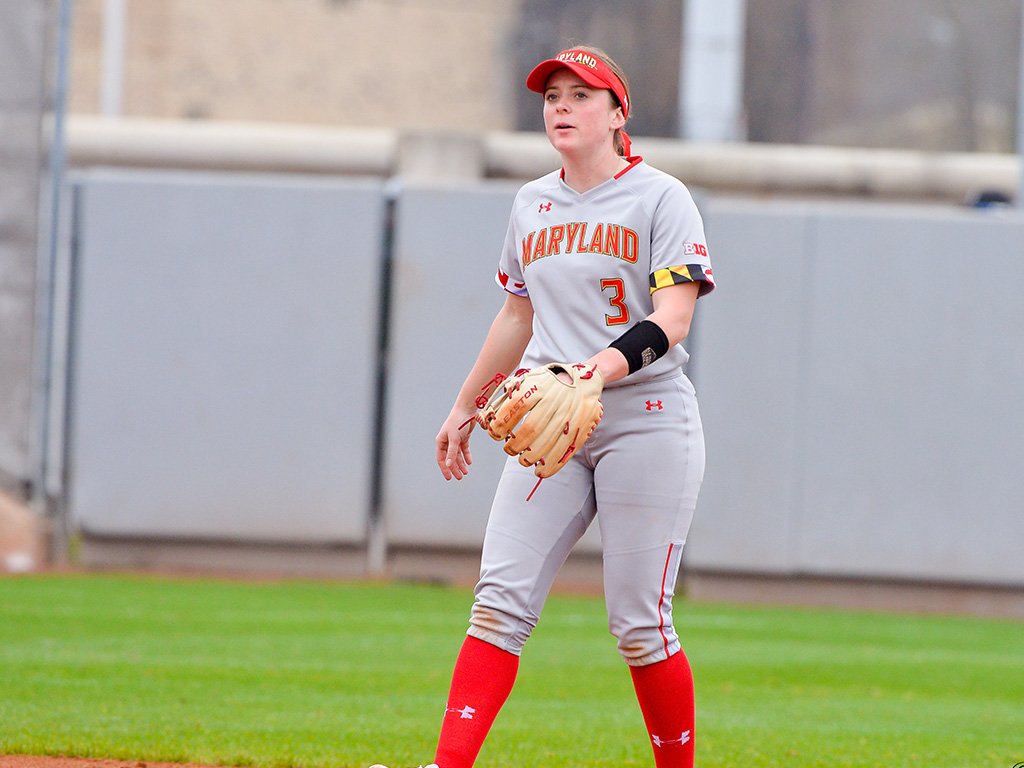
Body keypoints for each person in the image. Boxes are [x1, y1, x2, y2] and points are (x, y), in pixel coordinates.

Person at [373, 44, 715, 768]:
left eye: (580, 96)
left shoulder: (660, 196)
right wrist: (464, 405)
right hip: (548, 417)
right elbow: (516, 316)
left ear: (618, 114)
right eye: (552, 95)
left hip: (645, 417)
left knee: (640, 625)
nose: (561, 106)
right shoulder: (532, 201)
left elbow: (674, 318)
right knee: (498, 602)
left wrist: (595, 371)